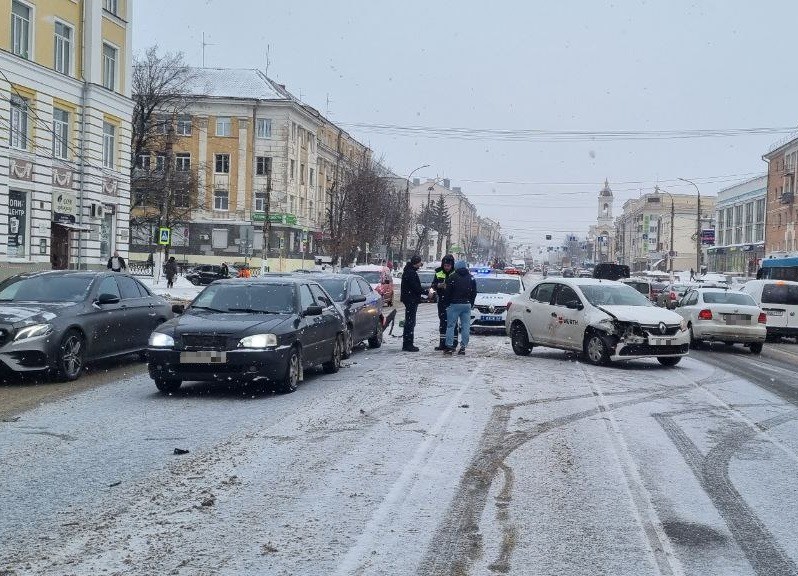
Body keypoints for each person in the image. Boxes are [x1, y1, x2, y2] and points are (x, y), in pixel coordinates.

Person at [444, 260, 476, 356]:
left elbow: (447, 292)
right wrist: (471, 303)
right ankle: (463, 347)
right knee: (466, 326)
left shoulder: (452, 277)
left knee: (451, 326)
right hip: (466, 304)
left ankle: (449, 346)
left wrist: (447, 303)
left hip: (454, 304)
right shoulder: (471, 278)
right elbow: (474, 292)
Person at [432, 254, 457, 350]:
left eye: (449, 266)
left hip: (452, 301)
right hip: (442, 301)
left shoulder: (455, 273)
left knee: (452, 323)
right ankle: (442, 343)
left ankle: (453, 343)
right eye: (445, 265)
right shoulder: (438, 272)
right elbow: (433, 285)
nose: (447, 267)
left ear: (452, 265)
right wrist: (438, 286)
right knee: (443, 322)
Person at [399, 255, 424, 352]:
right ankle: (408, 344)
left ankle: (407, 343)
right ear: (416, 263)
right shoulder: (411, 273)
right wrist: (425, 292)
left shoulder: (408, 271)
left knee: (409, 321)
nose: (420, 265)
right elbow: (415, 287)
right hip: (411, 300)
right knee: (410, 322)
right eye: (419, 263)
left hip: (409, 299)